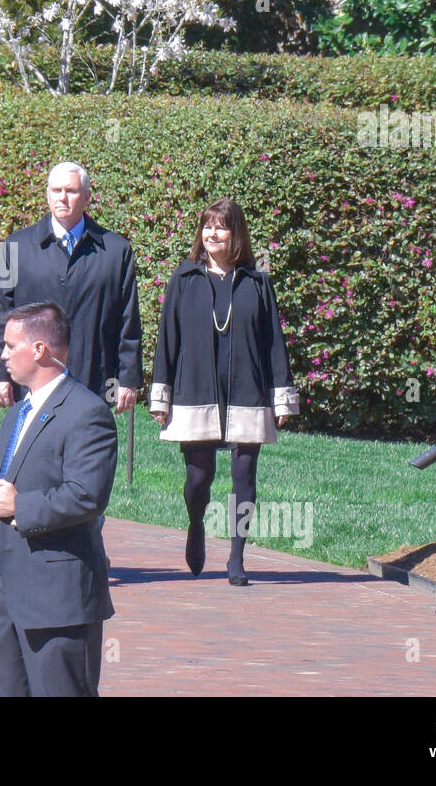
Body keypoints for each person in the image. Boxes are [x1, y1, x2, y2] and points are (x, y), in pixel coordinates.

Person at [148, 198, 299, 586]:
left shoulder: (257, 282)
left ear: (236, 235)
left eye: (221, 227)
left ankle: (237, 556)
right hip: (194, 388)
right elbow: (168, 340)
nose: (211, 234)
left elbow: (273, 343)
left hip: (248, 391)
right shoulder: (183, 279)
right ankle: (196, 522)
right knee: (199, 478)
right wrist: (160, 396)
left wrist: (281, 394)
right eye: (207, 226)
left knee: (245, 475)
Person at [0, 302, 117, 696]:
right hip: (6, 594)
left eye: (9, 345)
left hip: (58, 599)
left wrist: (19, 506)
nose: (1, 355)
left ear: (38, 350)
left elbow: (87, 496)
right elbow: (7, 485)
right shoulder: (16, 414)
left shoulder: (88, 413)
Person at [0, 162, 142, 413]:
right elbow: (0, 313)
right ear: (47, 195)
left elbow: (127, 319)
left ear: (87, 197)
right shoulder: (18, 247)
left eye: (71, 191)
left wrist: (128, 378)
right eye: (56, 191)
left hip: (93, 378)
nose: (62, 198)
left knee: (87, 450)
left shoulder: (115, 250)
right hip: (32, 380)